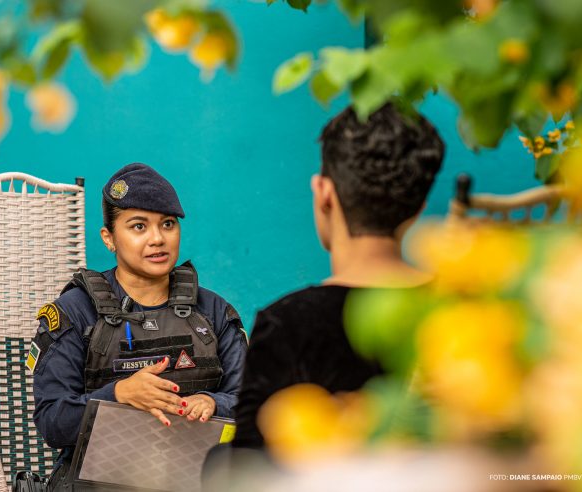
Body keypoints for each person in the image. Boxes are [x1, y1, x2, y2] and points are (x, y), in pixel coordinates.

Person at [231, 102, 445, 451]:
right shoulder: (462, 313)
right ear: (417, 209)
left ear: (324, 194)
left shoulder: (288, 324)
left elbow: (249, 471)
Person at [28, 163, 248, 488]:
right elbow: (52, 422)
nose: (157, 239)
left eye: (168, 224)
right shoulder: (75, 313)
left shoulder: (213, 312)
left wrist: (215, 403)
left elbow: (254, 403)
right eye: (138, 226)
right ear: (109, 238)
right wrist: (119, 395)